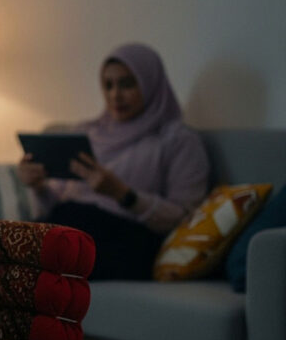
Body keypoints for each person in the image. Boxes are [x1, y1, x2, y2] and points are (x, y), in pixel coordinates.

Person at [18, 43, 210, 280]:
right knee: (35, 231)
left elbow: (185, 219)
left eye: (127, 84)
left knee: (62, 226)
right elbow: (53, 204)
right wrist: (38, 187)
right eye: (108, 85)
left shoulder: (177, 140)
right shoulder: (87, 133)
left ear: (150, 84)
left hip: (131, 239)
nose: (115, 95)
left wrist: (122, 194)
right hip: (71, 225)